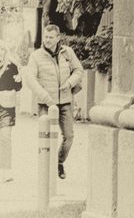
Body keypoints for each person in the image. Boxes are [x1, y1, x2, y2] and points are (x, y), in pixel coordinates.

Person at [25, 23, 83, 180]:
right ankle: (45, 169)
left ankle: (58, 162)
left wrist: (70, 83)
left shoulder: (67, 53)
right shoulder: (36, 56)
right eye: (46, 36)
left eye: (51, 37)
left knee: (69, 136)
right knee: (46, 137)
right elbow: (30, 79)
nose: (47, 40)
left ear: (58, 38)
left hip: (65, 101)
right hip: (46, 103)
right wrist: (46, 97)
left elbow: (79, 70)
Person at [0, 41, 23, 183]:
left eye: (1, 49)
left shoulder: (12, 67)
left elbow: (19, 86)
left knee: (5, 138)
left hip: (6, 106)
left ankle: (5, 170)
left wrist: (19, 80)